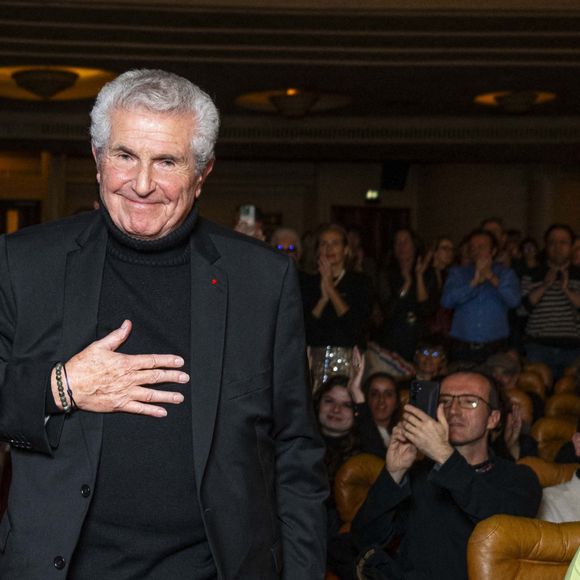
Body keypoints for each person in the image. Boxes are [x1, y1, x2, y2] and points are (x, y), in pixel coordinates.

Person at [0, 69, 327, 580]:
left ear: (202, 172)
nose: (143, 184)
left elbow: (296, 454)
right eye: (125, 155)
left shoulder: (262, 279)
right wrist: (60, 385)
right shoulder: (25, 263)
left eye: (167, 161)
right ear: (96, 158)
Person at [351, 370, 542, 580]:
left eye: (469, 401)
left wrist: (444, 455)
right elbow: (363, 539)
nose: (453, 410)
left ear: (493, 419)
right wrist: (393, 473)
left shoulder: (519, 477)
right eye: (445, 401)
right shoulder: (418, 475)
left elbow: (502, 526)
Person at [441, 229, 521, 363]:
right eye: (472, 247)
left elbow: (514, 301)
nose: (476, 251)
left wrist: (491, 277)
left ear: (493, 251)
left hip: (496, 346)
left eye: (481, 247)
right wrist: (474, 283)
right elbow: (446, 301)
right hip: (462, 346)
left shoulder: (506, 274)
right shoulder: (458, 273)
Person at [522, 224, 580, 381]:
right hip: (538, 347)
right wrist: (544, 285)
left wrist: (567, 289)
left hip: (573, 348)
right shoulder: (533, 273)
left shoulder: (578, 273)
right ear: (546, 245)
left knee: (569, 398)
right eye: (552, 242)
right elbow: (521, 310)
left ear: (571, 246)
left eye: (563, 242)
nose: (557, 247)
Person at [301, 224, 371, 348]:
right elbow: (304, 331)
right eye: (324, 244)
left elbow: (356, 328)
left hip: (349, 358)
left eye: (335, 243)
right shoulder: (308, 282)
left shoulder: (360, 282)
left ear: (346, 250)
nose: (329, 249)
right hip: (317, 357)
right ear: (318, 251)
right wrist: (323, 300)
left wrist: (332, 291)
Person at [378, 228, 434, 361]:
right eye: (397, 242)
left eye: (405, 242)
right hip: (393, 337)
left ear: (415, 245)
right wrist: (406, 284)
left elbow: (426, 309)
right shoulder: (386, 273)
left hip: (420, 338)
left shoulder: (427, 273)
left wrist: (418, 276)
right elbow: (388, 310)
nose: (401, 246)